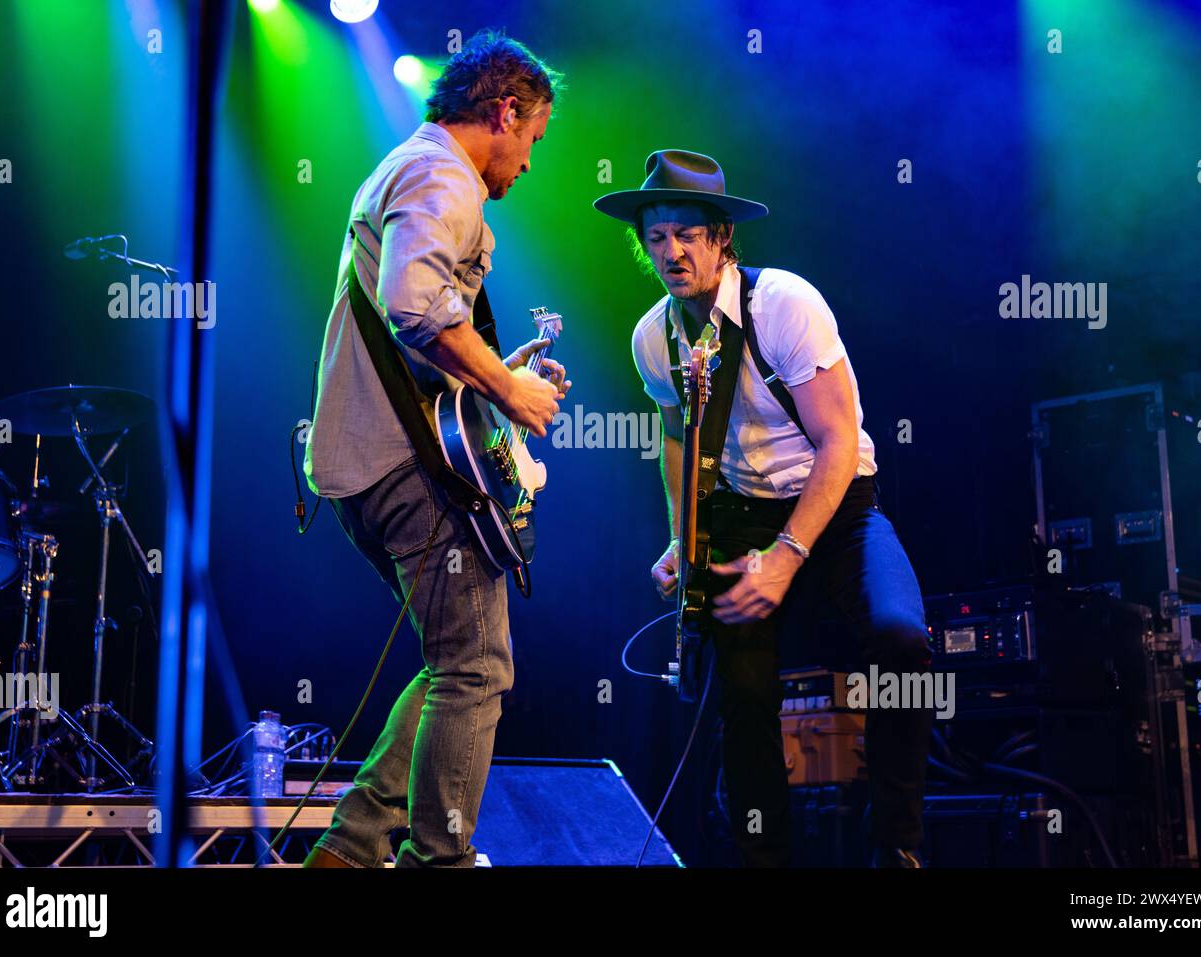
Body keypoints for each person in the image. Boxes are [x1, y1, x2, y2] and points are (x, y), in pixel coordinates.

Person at [595, 150, 933, 867]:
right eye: (657, 236)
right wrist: (681, 540)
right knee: (741, 695)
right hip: (742, 513)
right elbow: (676, 438)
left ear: (722, 238)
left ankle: (897, 844)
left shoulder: (783, 303)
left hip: (837, 502)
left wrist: (788, 557)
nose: (672, 251)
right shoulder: (652, 337)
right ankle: (764, 857)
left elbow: (840, 441)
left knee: (901, 639)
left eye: (689, 233)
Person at [302, 30, 568, 868]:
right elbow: (416, 304)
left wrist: (492, 369)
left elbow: (417, 328)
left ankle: (348, 851)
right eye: (533, 140)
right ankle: (435, 862)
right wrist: (509, 390)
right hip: (397, 464)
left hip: (365, 462)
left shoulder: (414, 165)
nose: (528, 163)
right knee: (479, 667)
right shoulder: (441, 173)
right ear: (505, 111)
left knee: (452, 661)